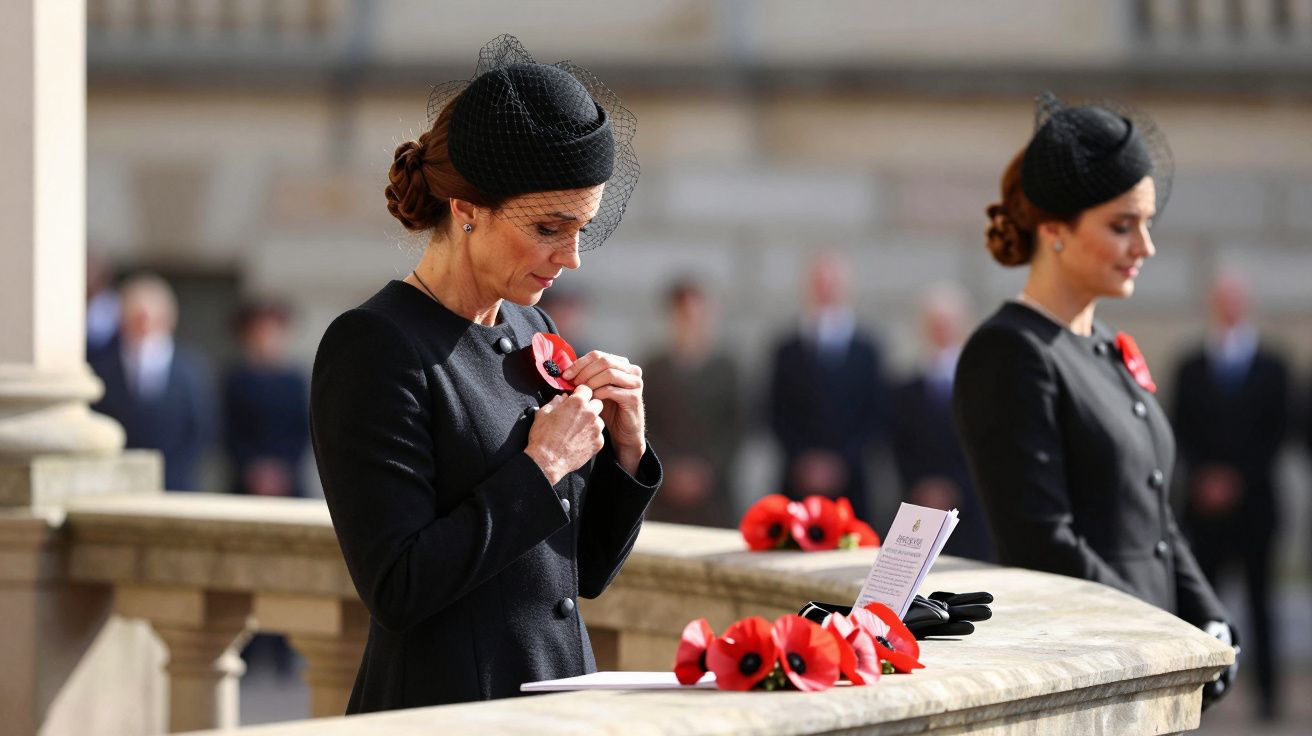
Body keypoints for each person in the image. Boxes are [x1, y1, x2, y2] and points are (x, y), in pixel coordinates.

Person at [310, 36, 661, 713]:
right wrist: (542, 465)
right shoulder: (374, 345)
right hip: (448, 711)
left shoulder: (534, 329)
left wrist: (626, 451)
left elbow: (581, 574)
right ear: (466, 211)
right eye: (550, 229)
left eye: (582, 229)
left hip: (556, 702)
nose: (573, 258)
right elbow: (396, 587)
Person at [952, 93, 1237, 705]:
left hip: (1147, 664)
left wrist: (1208, 617)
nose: (1145, 246)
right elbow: (1042, 541)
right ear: (1054, 229)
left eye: (1147, 224)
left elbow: (1156, 519)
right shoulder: (1010, 352)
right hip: (1091, 672)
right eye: (1121, 225)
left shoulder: (1107, 347)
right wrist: (1168, 637)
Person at [1173, 271, 1289, 720]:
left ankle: (1269, 699)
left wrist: (1237, 477)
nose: (1229, 307)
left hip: (1255, 506)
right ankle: (1204, 691)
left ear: (1247, 303)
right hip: (1203, 507)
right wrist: (1206, 476)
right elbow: (1180, 429)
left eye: (1236, 299)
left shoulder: (1273, 366)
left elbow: (1277, 433)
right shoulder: (1191, 365)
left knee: (1263, 602)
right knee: (1205, 602)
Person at [768, 250, 891, 523]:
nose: (826, 291)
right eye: (820, 284)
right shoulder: (786, 349)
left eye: (833, 284)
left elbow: (876, 413)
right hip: (798, 481)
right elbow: (775, 411)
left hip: (852, 483)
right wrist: (804, 459)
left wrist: (841, 463)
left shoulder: (867, 349)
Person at [891, 284, 993, 562]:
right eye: (934, 323)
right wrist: (922, 485)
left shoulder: (982, 387)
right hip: (920, 511)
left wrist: (954, 487)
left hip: (970, 515)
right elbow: (899, 445)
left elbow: (987, 448)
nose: (941, 330)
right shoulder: (905, 389)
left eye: (948, 323)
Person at [90, 273, 216, 491]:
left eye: (150, 315)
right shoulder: (101, 368)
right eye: (136, 315)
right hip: (117, 486)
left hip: (177, 487)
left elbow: (202, 430)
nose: (144, 323)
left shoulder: (191, 370)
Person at [642, 277, 742, 528]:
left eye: (698, 312)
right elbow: (642, 424)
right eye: (685, 313)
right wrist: (669, 468)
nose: (692, 320)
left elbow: (737, 426)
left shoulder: (727, 368)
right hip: (666, 492)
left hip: (715, 494)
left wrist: (706, 470)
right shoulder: (654, 368)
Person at [223, 300, 310, 499]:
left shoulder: (295, 380)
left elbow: (303, 431)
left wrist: (282, 470)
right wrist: (253, 470)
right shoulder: (236, 379)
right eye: (260, 331)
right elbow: (229, 431)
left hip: (289, 482)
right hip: (246, 482)